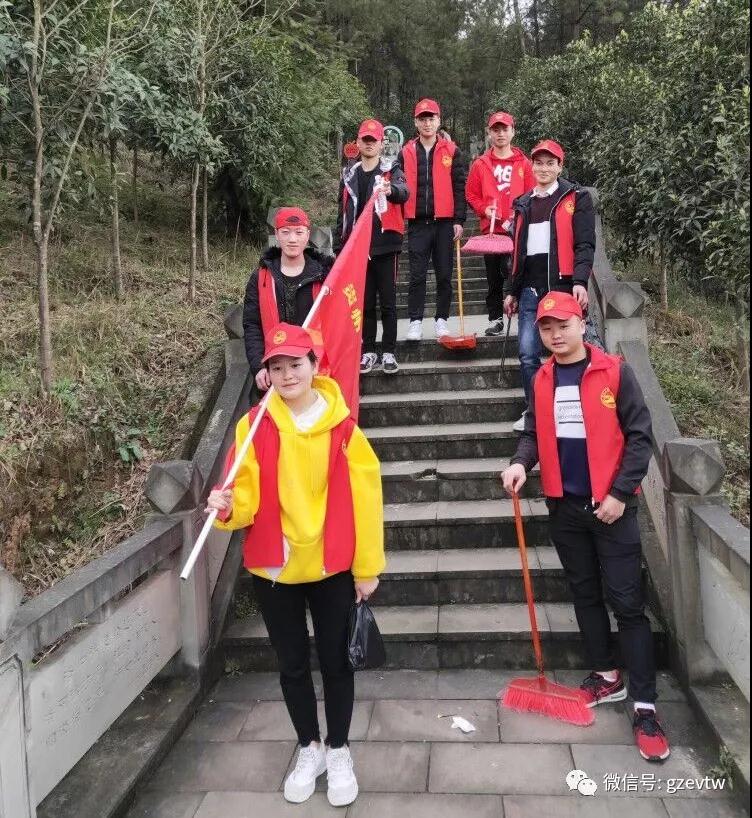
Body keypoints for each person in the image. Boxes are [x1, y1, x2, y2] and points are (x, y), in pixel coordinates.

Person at [207, 322, 385, 807]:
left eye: (295, 364)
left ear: (314, 365)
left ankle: (339, 748)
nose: (287, 375)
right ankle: (310, 747)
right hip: (275, 569)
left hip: (331, 566)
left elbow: (367, 499)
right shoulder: (252, 426)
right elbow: (244, 495)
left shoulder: (343, 428)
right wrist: (227, 505)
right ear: (267, 373)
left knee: (336, 663)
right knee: (290, 665)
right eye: (277, 366)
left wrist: (367, 567)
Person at [501, 291, 670, 763]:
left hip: (611, 508)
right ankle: (606, 674)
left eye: (563, 325)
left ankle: (645, 705)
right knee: (584, 593)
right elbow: (533, 432)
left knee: (628, 604)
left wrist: (620, 493)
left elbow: (640, 437)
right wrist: (520, 463)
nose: (555, 335)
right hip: (565, 508)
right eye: (547, 328)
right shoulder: (542, 378)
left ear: (582, 323)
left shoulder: (615, 372)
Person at [503, 139, 595, 431]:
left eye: (550, 163)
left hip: (562, 287)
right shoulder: (523, 203)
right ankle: (535, 411)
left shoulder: (576, 197)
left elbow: (585, 244)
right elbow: (518, 252)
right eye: (539, 163)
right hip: (529, 290)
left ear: (560, 167)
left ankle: (574, 408)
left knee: (568, 350)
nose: (544, 168)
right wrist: (512, 291)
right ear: (532, 166)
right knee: (527, 354)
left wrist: (580, 281)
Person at [335, 118, 409, 375]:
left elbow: (404, 191)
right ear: (358, 142)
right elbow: (342, 213)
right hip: (357, 249)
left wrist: (390, 190)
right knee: (364, 303)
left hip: (386, 245)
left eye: (373, 140)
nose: (369, 144)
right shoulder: (349, 175)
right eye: (365, 140)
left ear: (380, 143)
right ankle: (368, 350)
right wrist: (340, 247)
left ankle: (389, 351)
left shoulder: (391, 169)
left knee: (388, 301)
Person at [398, 98, 467, 342]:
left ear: (438, 121)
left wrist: (459, 219)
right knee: (417, 275)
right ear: (416, 122)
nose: (427, 123)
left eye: (431, 118)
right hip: (418, 222)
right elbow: (398, 185)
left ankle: (441, 320)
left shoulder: (452, 151)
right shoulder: (406, 152)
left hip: (444, 222)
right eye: (422, 119)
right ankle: (415, 321)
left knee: (444, 275)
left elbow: (459, 187)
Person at [243, 207, 333, 392]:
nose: (292, 239)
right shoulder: (261, 278)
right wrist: (258, 367)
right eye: (285, 232)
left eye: (299, 232)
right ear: (276, 235)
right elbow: (252, 324)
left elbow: (338, 323)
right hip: (276, 371)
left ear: (307, 235)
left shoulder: (325, 276)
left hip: (317, 369)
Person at [466, 111, 534, 337]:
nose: (501, 134)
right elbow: (471, 194)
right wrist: (483, 209)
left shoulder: (525, 164)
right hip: (492, 231)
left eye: (505, 129)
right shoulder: (480, 164)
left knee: (519, 274)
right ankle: (496, 319)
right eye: (496, 130)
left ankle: (524, 315)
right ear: (489, 133)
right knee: (494, 277)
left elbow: (532, 193)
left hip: (517, 230)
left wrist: (520, 213)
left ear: (513, 131)